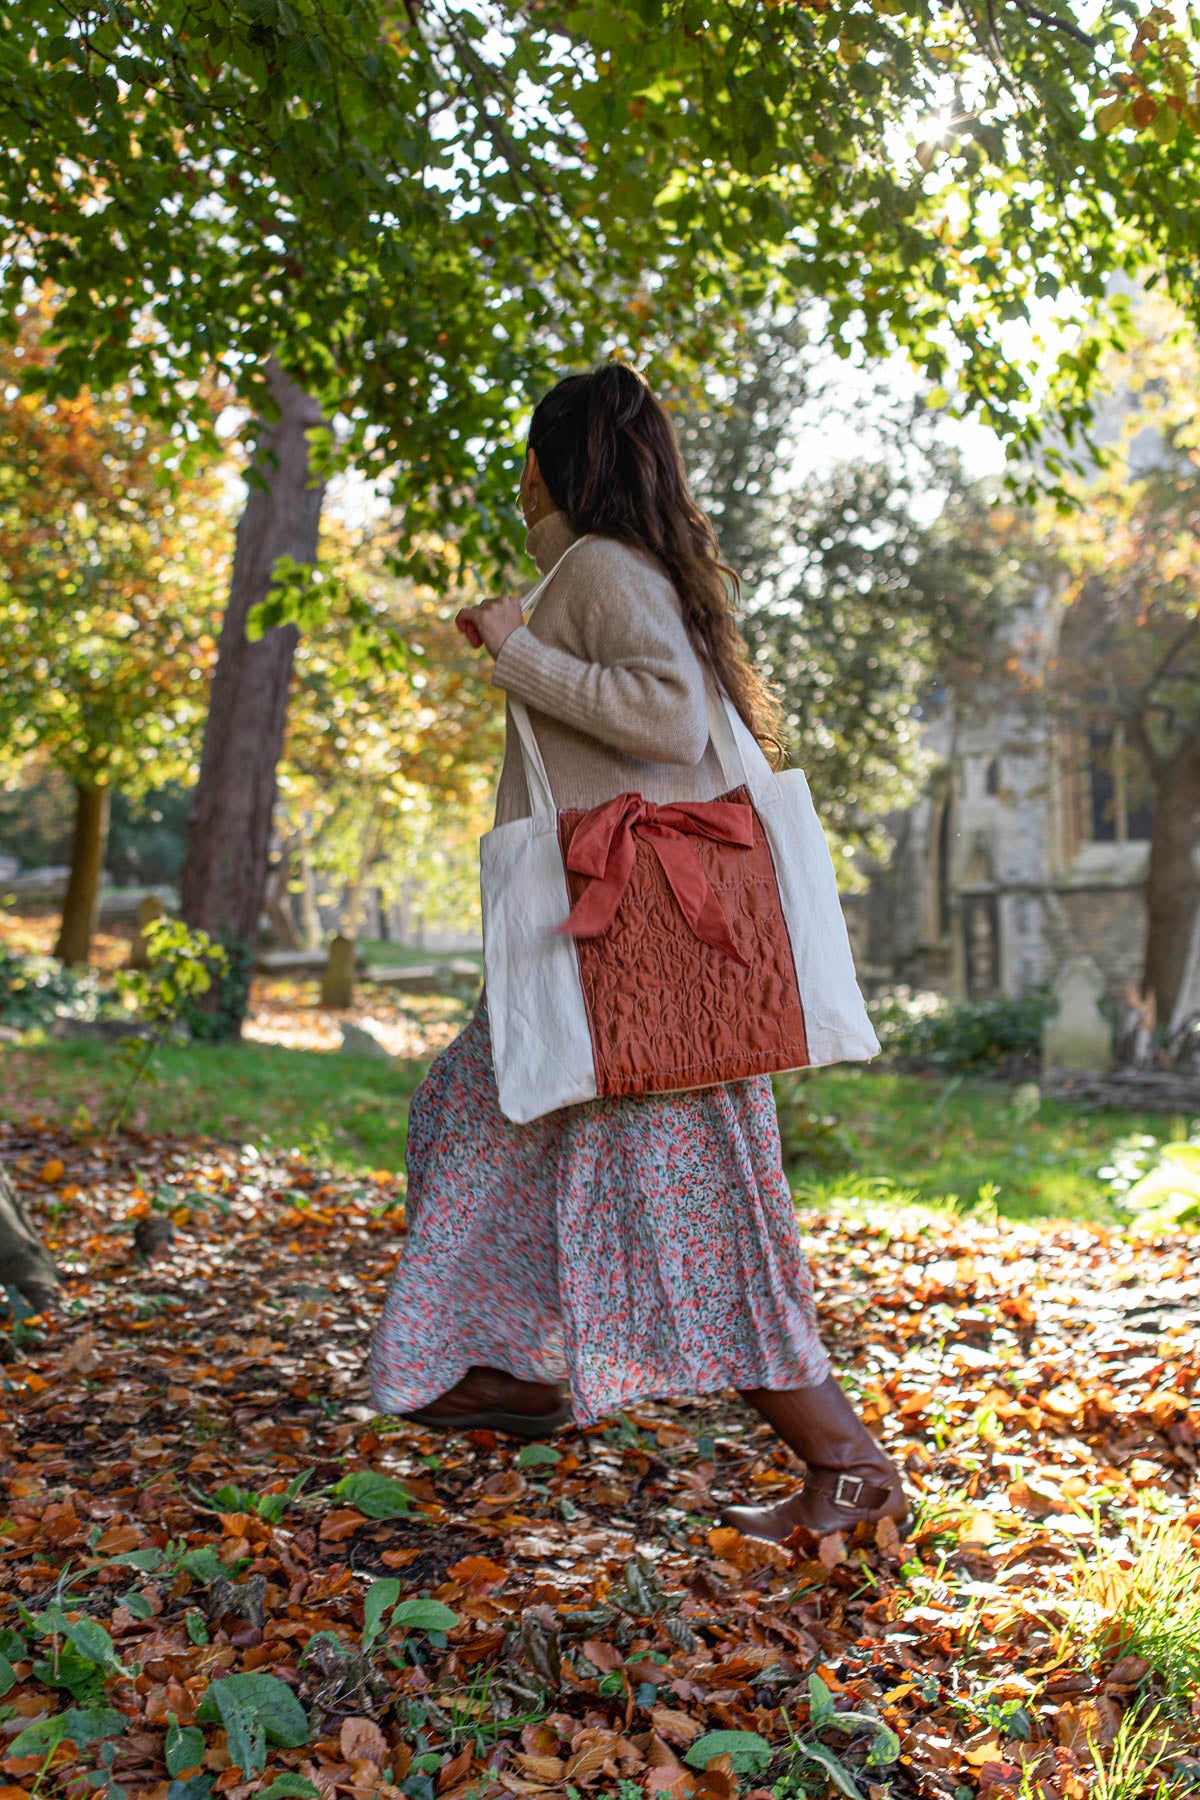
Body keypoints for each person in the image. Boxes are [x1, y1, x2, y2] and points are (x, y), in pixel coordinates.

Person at [367, 363, 905, 1543]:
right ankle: (500, 1371)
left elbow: (663, 715)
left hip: (643, 969)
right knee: (469, 1117)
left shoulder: (602, 569)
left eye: (528, 457)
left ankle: (848, 1474)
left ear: (558, 464)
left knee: (698, 1226)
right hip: (617, 961)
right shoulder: (610, 568)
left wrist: (518, 651)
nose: (517, 481)